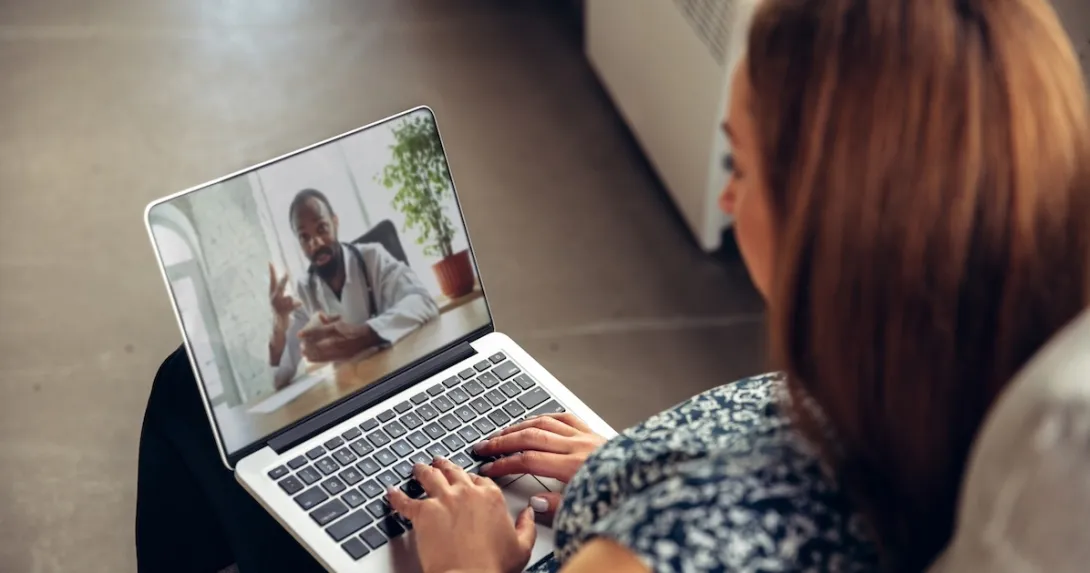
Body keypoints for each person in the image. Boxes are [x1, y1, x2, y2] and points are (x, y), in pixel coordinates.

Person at [135, 0, 1090, 571]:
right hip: (585, 483)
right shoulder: (947, 389)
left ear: (843, 226)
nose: (725, 192)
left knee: (191, 398)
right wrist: (635, 458)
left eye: (741, 165)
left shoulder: (672, 549)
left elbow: (418, 306)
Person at [269, 188, 439, 389]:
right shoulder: (306, 289)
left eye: (322, 228)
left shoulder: (372, 258)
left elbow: (423, 301)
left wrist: (363, 334)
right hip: (354, 390)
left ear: (335, 222)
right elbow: (279, 377)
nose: (315, 243)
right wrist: (279, 324)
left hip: (402, 376)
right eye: (304, 237)